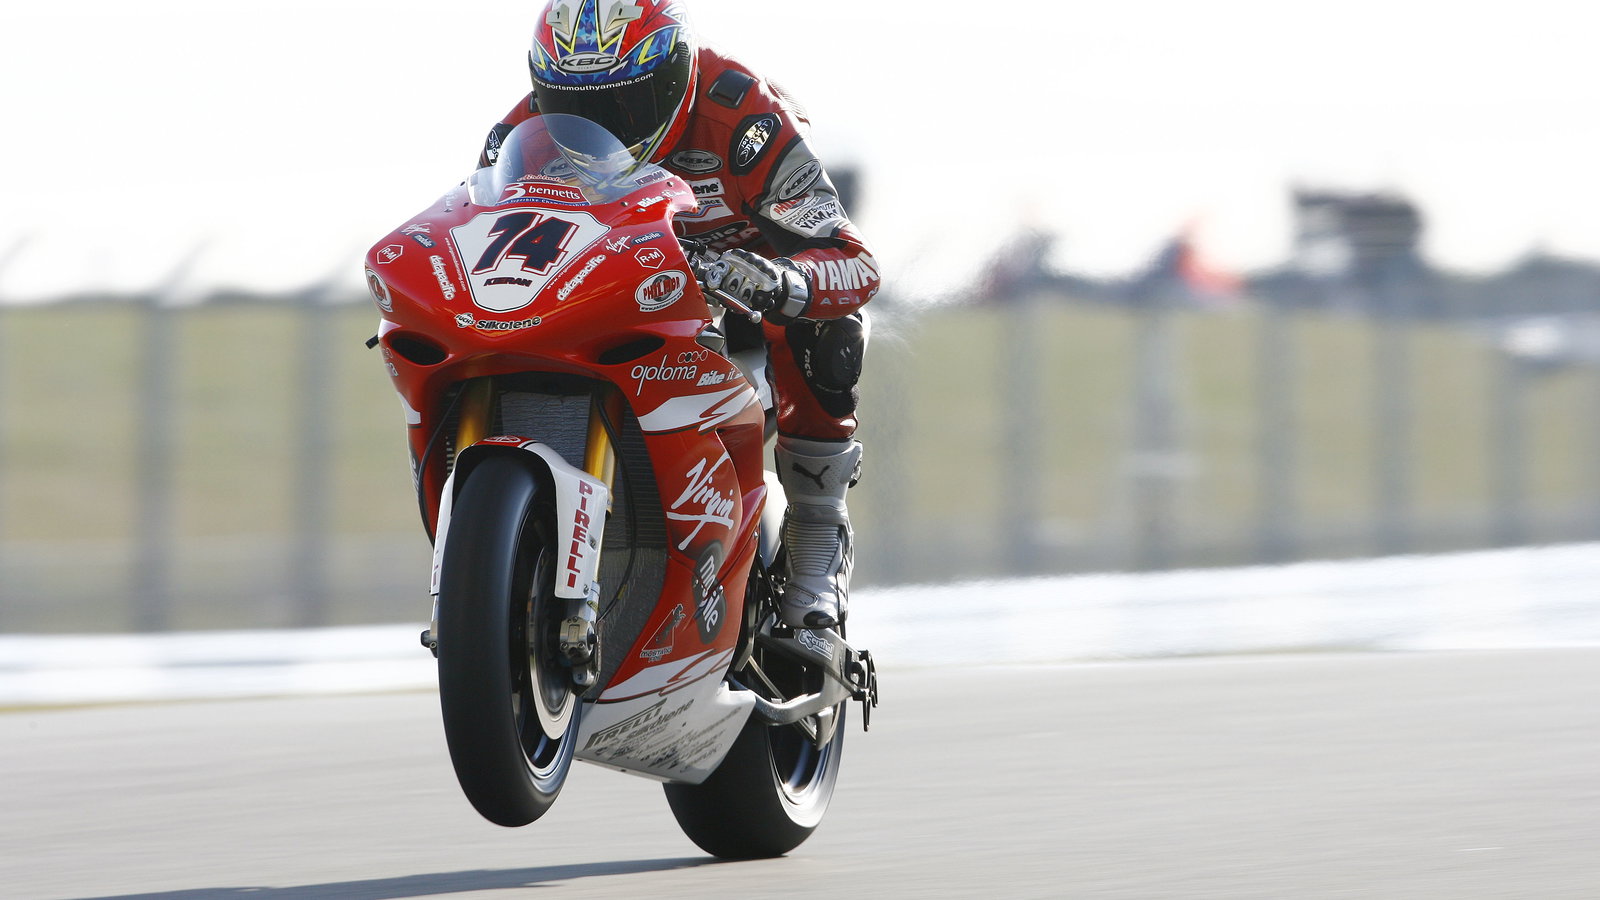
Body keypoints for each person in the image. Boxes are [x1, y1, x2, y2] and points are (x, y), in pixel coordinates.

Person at [479, 1, 879, 631]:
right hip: (608, 305)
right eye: (574, 109)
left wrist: (779, 281)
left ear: (676, 76)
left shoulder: (744, 113)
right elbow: (480, 233)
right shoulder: (519, 134)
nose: (595, 131)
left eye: (621, 108)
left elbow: (852, 261)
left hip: (738, 304)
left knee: (828, 330)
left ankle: (816, 538)